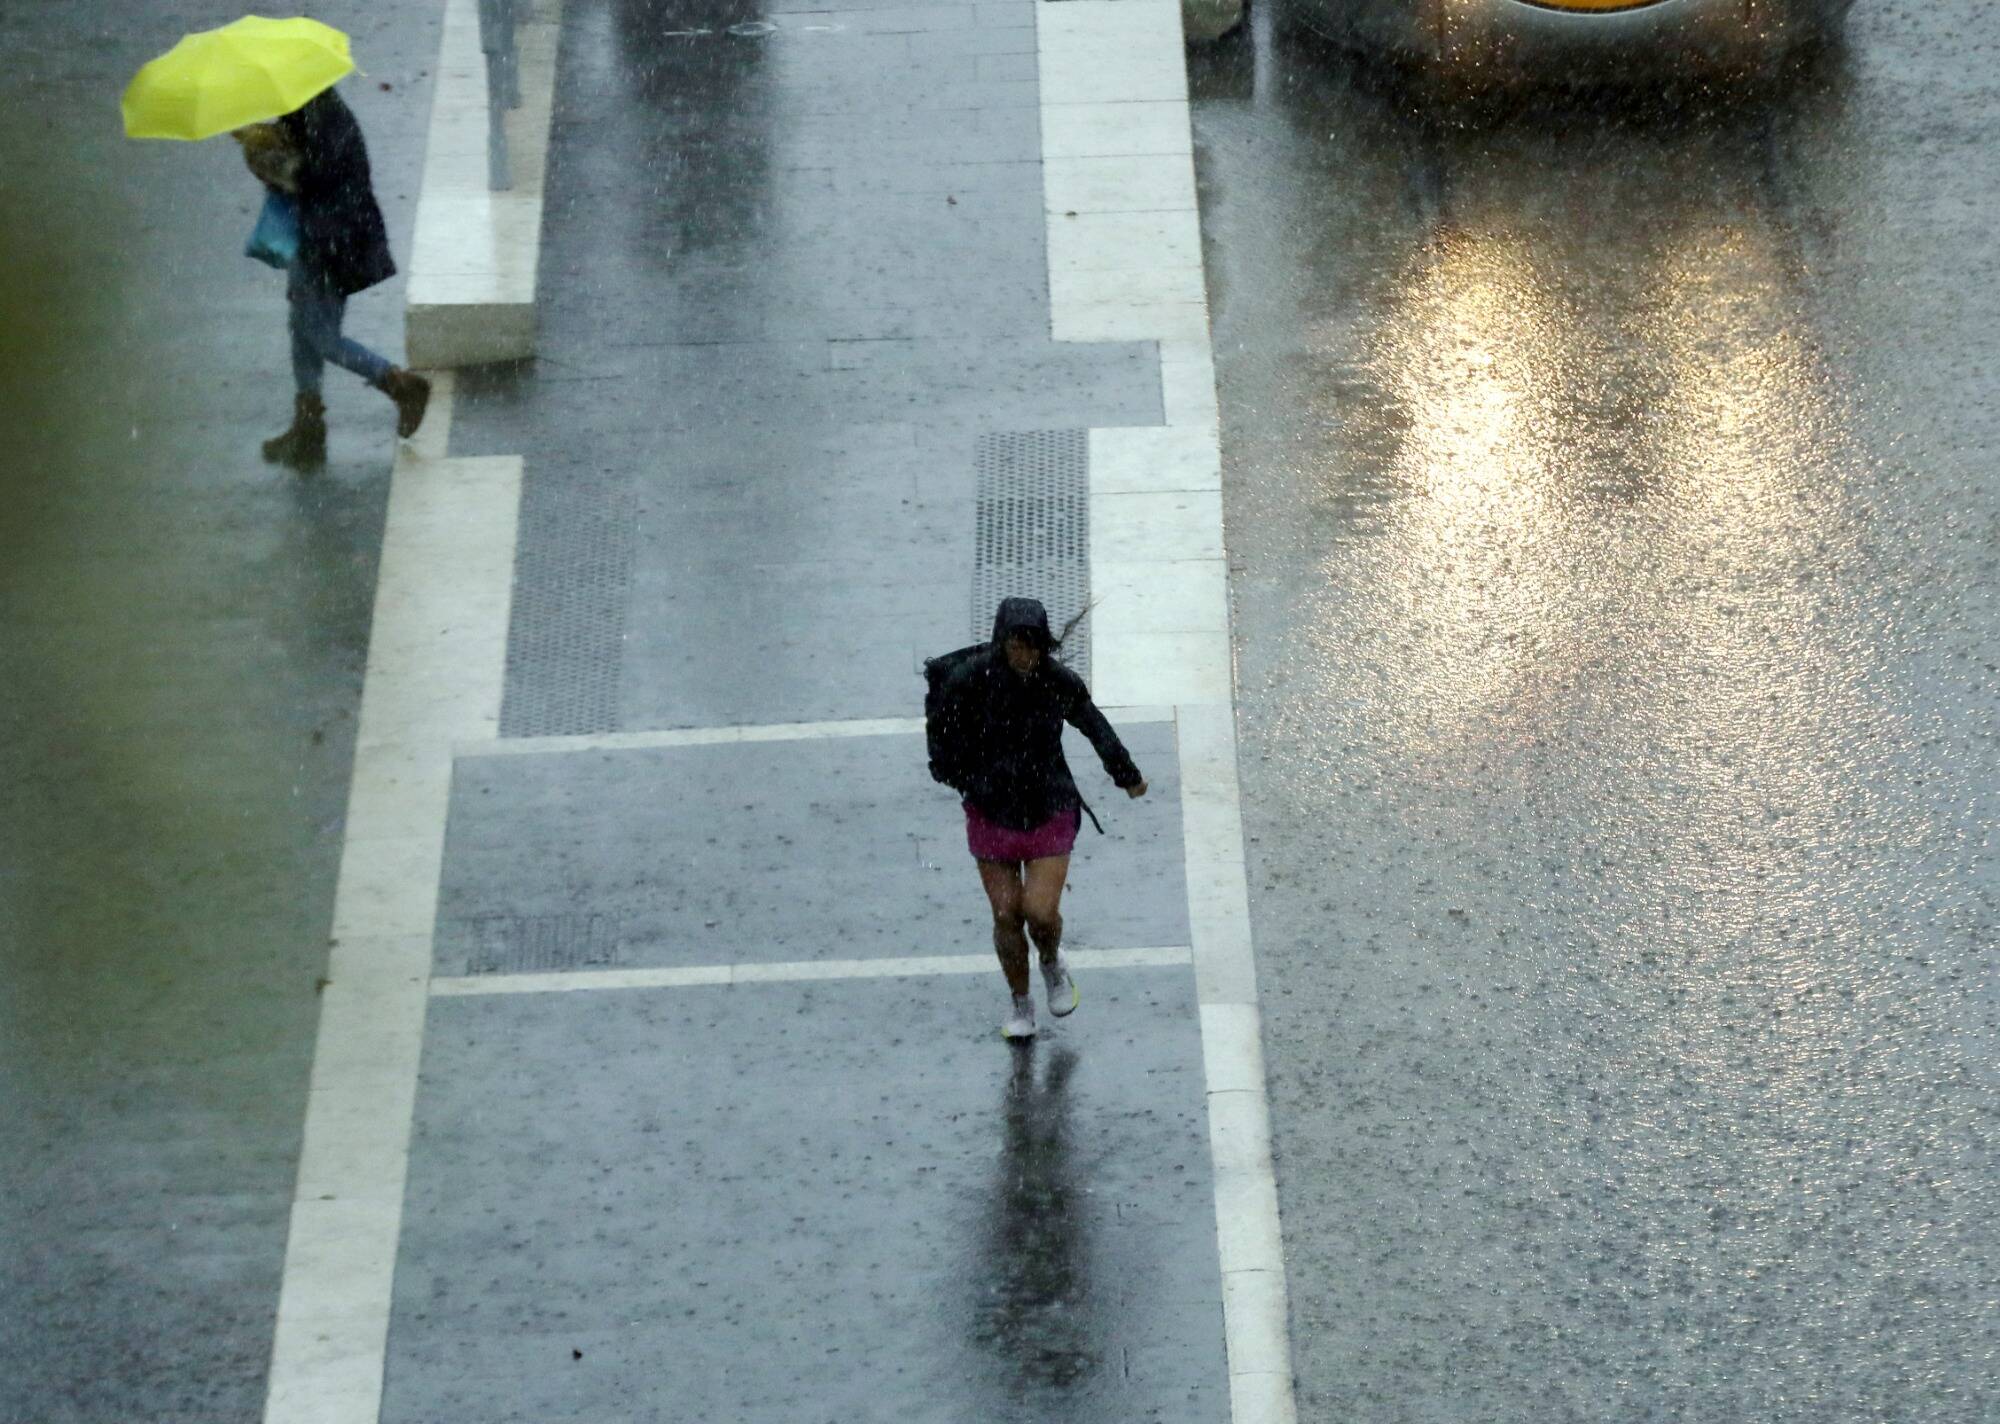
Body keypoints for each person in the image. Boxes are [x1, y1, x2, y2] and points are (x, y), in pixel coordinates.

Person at [928, 598, 1148, 1040]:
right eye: (1016, 644)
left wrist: (1125, 774)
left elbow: (1093, 724)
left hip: (1050, 807)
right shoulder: (970, 680)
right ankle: (1021, 1004)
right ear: (1002, 643)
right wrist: (961, 779)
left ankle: (1050, 961)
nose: (1025, 654)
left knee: (1040, 913)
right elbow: (941, 734)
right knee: (1007, 914)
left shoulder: (1057, 682)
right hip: (992, 812)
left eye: (1033, 646)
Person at [232, 86, 429, 469]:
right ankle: (308, 426)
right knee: (302, 326)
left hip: (326, 241)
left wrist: (263, 154)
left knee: (319, 334)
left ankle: (399, 383)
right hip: (338, 236)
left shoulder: (320, 122)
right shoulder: (319, 112)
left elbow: (304, 176)